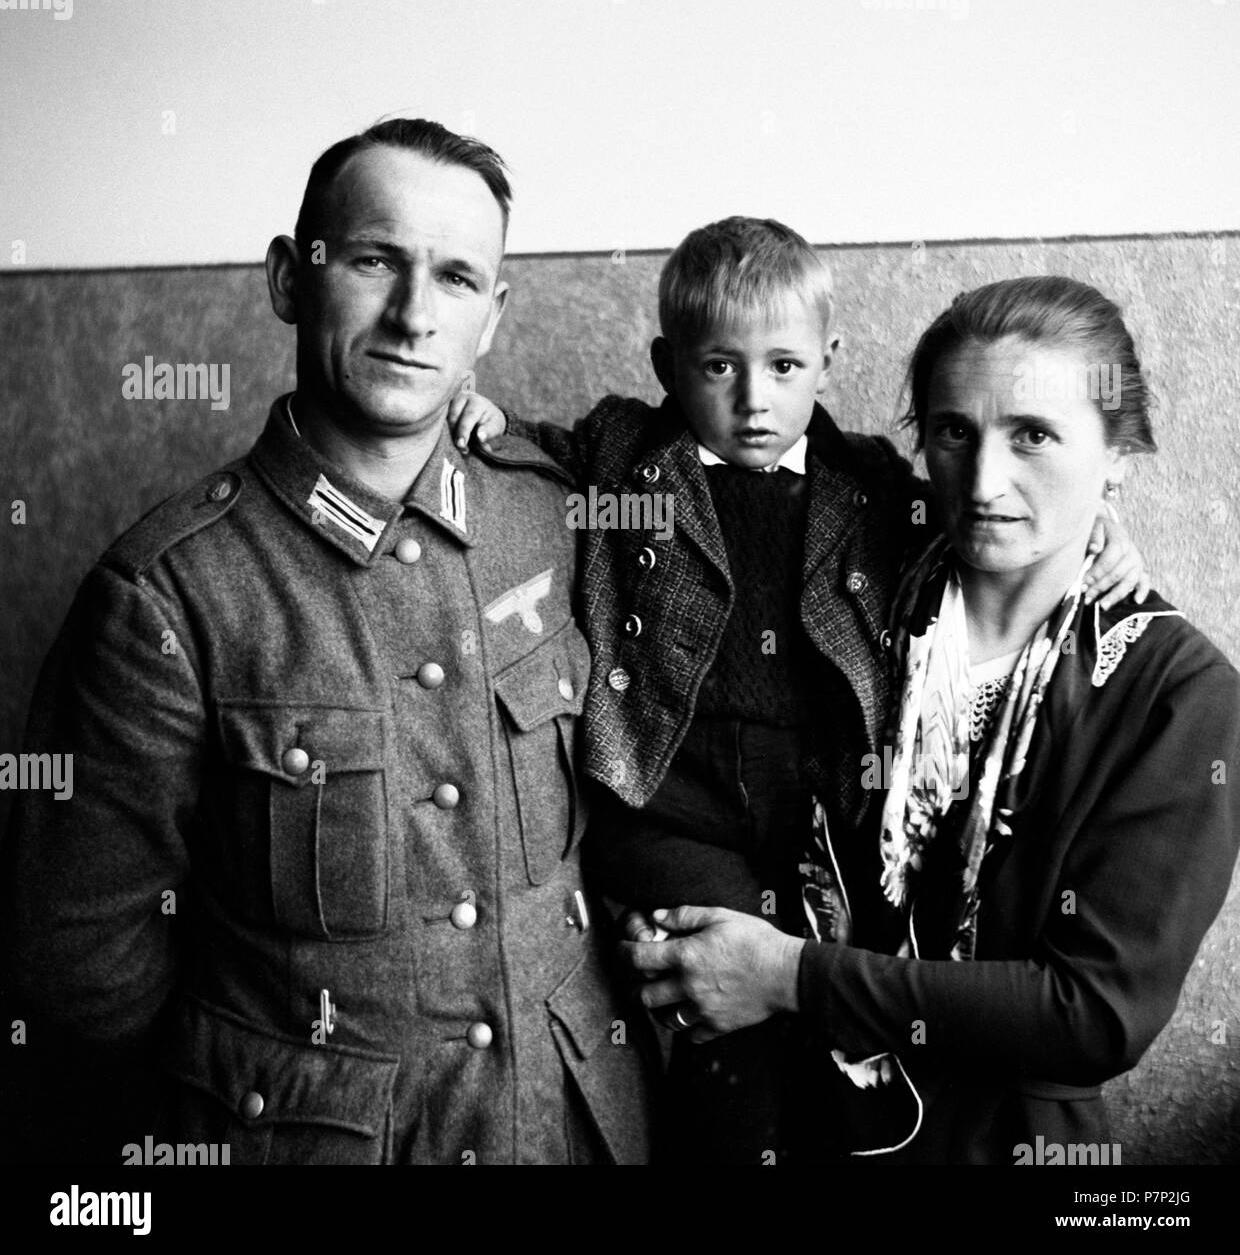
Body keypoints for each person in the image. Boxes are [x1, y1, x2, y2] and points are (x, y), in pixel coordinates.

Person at [0, 118, 653, 1166]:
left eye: (453, 278)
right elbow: (81, 958)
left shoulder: (547, 511)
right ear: (287, 279)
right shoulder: (167, 592)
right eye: (373, 261)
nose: (411, 315)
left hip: (567, 1125)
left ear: (492, 316)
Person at [450, 232, 1146, 1164]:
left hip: (819, 806)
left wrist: (1104, 530)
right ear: (667, 367)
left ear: (828, 363)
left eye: (783, 367)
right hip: (671, 800)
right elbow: (538, 465)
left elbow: (980, 519)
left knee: (829, 1020)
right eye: (718, 367)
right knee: (723, 1018)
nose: (753, 398)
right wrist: (482, 420)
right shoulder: (626, 462)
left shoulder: (862, 482)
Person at [623, 275, 1240, 1164]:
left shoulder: (1175, 694)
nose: (986, 481)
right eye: (955, 431)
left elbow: (1094, 1019)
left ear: (1118, 454)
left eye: (1035, 436)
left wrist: (788, 976)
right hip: (798, 1125)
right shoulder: (856, 588)